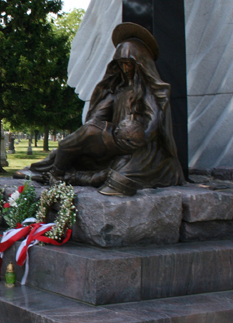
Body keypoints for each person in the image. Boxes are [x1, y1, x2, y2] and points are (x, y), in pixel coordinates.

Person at [27, 23, 184, 196]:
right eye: (121, 64)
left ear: (140, 65)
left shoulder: (146, 93)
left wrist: (139, 137)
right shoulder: (116, 91)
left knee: (118, 171)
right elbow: (96, 118)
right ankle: (53, 171)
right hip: (114, 140)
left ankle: (67, 176)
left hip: (136, 145)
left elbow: (154, 121)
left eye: (129, 64)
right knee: (83, 140)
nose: (125, 69)